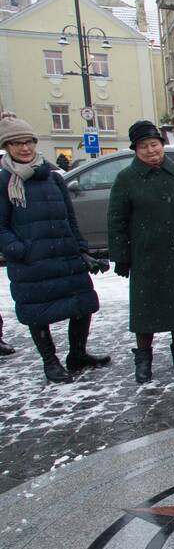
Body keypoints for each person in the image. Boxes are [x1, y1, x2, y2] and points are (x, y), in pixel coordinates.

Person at [0, 116, 109, 383]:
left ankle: (77, 354)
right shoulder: (4, 181)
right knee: (38, 312)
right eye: (17, 143)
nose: (24, 148)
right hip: (31, 261)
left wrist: (81, 249)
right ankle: (50, 361)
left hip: (64, 254)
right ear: (7, 146)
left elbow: (70, 218)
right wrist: (19, 250)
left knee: (83, 304)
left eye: (28, 142)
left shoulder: (52, 177)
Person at [108, 120, 174, 384]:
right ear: (135, 150)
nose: (151, 150)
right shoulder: (127, 179)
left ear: (162, 145)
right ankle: (143, 359)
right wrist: (121, 256)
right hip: (146, 256)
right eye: (144, 146)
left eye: (154, 144)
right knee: (145, 311)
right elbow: (116, 219)